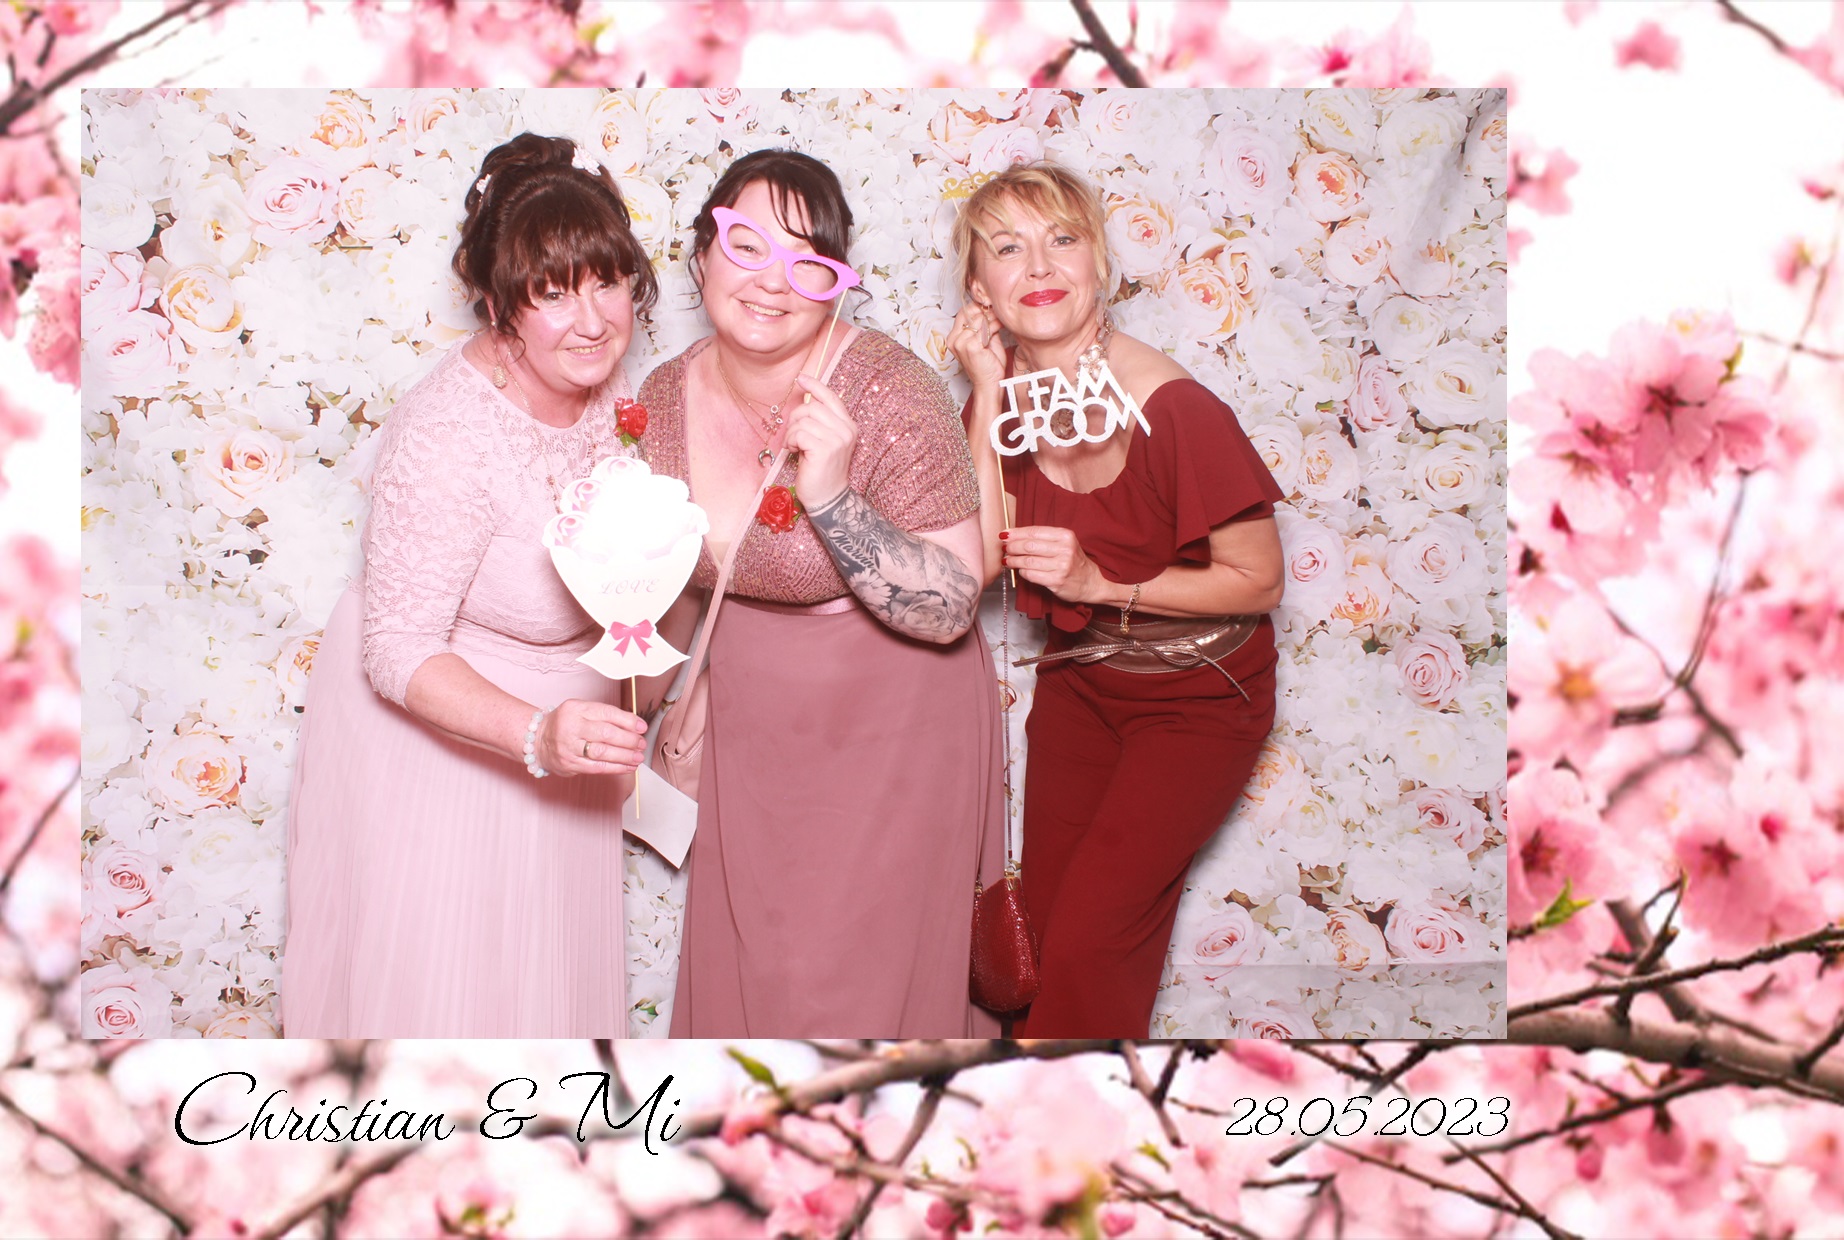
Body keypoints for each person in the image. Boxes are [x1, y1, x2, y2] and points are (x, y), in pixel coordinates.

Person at [283, 134, 657, 1037]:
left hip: (567, 740)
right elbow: (396, 647)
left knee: (549, 1005)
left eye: (608, 282)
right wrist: (537, 732)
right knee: (450, 1002)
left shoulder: (605, 386)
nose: (592, 321)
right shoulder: (448, 433)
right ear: (497, 304)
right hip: (443, 742)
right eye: (553, 293)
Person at [640, 149, 1003, 1038]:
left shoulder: (889, 388)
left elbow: (952, 606)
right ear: (702, 254)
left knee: (850, 990)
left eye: (808, 261)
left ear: (836, 287)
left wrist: (833, 495)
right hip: (754, 735)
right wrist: (628, 702)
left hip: (893, 726)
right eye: (747, 244)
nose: (773, 281)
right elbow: (680, 579)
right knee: (758, 975)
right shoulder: (664, 396)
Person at [947, 161, 1287, 1038]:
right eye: (1007, 249)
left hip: (1200, 700)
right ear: (979, 289)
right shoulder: (1006, 397)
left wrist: (1102, 583)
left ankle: (1067, 1109)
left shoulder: (1174, 408)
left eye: (1062, 239)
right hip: (1084, 685)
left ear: (1098, 263)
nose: (1038, 266)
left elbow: (1260, 581)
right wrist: (985, 390)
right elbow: (980, 559)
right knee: (1041, 935)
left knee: (1092, 943)